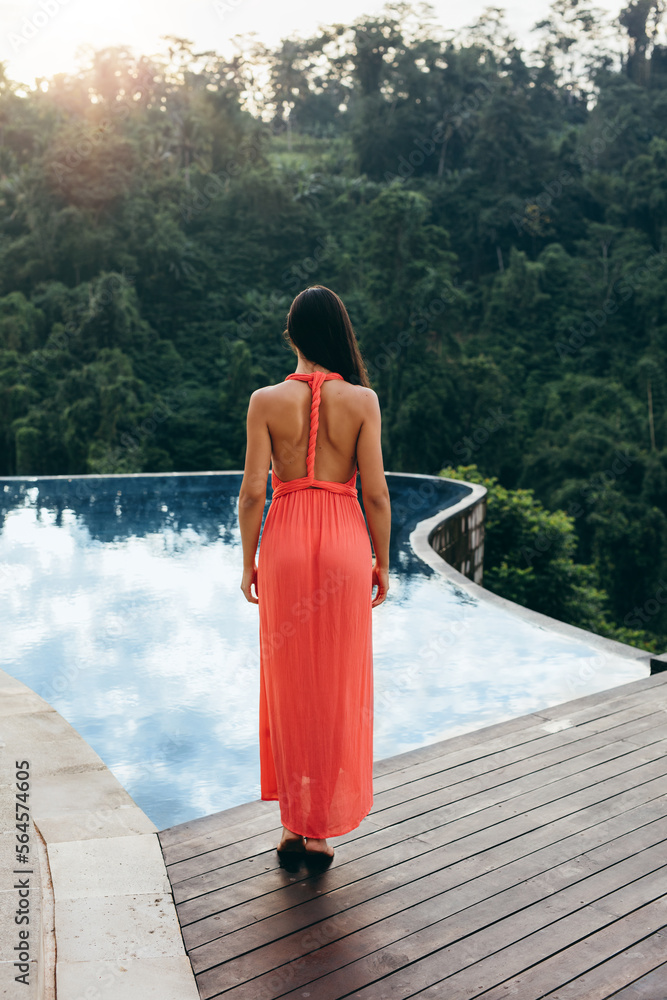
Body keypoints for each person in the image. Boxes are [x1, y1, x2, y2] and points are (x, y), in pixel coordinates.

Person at [238, 284, 391, 871]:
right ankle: (321, 831)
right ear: (339, 334)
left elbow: (254, 491)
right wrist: (382, 560)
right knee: (336, 683)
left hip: (286, 542)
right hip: (345, 542)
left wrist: (247, 559)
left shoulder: (265, 401)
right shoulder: (363, 401)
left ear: (293, 335)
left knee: (288, 681)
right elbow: (375, 491)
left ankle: (291, 826)